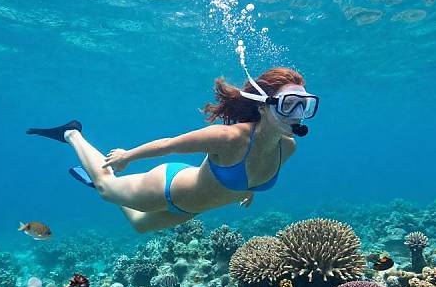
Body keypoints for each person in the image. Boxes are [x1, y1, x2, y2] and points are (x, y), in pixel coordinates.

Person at [27, 67, 318, 233]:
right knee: (106, 189)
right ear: (263, 106)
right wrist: (127, 156)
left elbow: (254, 169)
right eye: (290, 104)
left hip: (189, 209)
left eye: (304, 105)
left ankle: (98, 178)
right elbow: (170, 145)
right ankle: (72, 133)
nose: (298, 114)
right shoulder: (229, 138)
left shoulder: (287, 148)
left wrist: (249, 190)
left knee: (139, 226)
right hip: (167, 186)